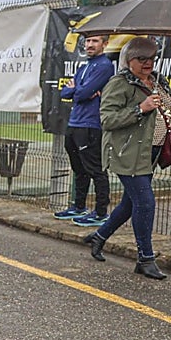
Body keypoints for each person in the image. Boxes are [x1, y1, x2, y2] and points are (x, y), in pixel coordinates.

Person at [85, 36, 171, 280]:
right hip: (126, 153)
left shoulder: (158, 82)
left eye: (152, 58)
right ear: (129, 60)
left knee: (129, 203)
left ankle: (99, 236)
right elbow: (107, 120)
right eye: (141, 58)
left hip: (150, 153)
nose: (148, 63)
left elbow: (168, 114)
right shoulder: (119, 83)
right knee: (145, 203)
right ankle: (145, 258)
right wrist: (140, 108)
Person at [54, 34, 114, 226]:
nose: (90, 45)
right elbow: (66, 92)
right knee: (78, 169)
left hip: (90, 124)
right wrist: (80, 89)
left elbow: (81, 93)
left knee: (95, 169)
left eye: (95, 41)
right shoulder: (83, 67)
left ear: (104, 44)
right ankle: (79, 207)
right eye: (88, 41)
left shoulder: (105, 66)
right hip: (74, 123)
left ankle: (100, 213)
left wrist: (79, 90)